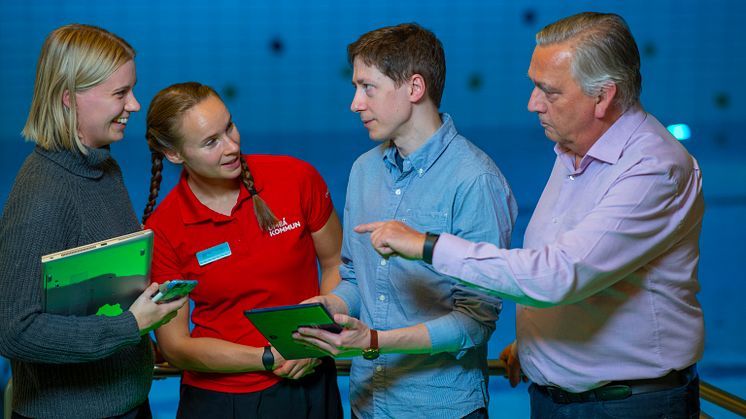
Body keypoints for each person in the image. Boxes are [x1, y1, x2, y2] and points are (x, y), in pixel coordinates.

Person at [354, 12, 704, 419]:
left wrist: (426, 245)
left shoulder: (653, 169)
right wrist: (539, 342)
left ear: (603, 97)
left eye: (548, 91)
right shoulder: (573, 149)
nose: (532, 103)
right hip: (557, 396)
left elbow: (560, 273)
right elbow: (588, 265)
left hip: (627, 404)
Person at [294, 23, 517, 418]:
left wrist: (375, 340)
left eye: (368, 87)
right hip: (367, 404)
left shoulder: (475, 179)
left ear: (415, 89)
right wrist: (331, 304)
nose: (355, 103)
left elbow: (476, 322)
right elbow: (355, 279)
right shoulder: (364, 170)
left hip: (443, 408)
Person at [0, 24, 185, 419]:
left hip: (128, 403)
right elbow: (14, 330)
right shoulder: (42, 192)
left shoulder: (105, 168)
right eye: (120, 94)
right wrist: (130, 327)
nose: (135, 105)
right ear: (69, 99)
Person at [142, 81, 343, 419]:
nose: (232, 146)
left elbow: (337, 263)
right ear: (174, 154)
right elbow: (175, 346)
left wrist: (316, 340)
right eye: (211, 142)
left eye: (229, 127)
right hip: (221, 401)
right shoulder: (164, 230)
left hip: (310, 378)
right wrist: (269, 356)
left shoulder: (296, 178)